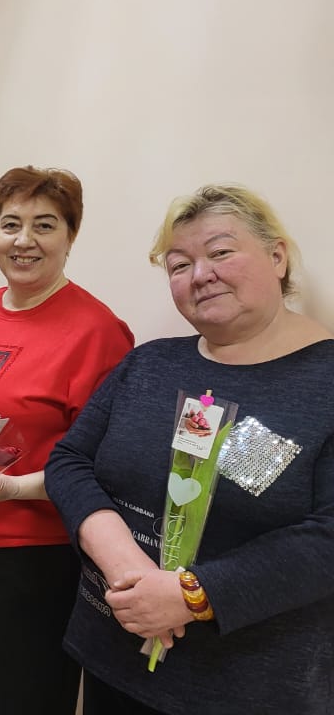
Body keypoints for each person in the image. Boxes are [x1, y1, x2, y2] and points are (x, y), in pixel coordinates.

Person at [46, 184, 334, 715]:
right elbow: (69, 462)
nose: (200, 274)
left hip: (247, 687)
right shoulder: (150, 363)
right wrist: (125, 564)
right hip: (113, 654)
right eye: (179, 264)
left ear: (277, 256)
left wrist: (191, 595)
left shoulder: (324, 382)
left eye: (220, 252)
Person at [0, 167, 133, 715]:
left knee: (28, 701)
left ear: (71, 235)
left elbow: (103, 464)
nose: (24, 240)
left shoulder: (97, 331)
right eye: (10, 224)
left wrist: (13, 488)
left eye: (45, 225)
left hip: (38, 554)